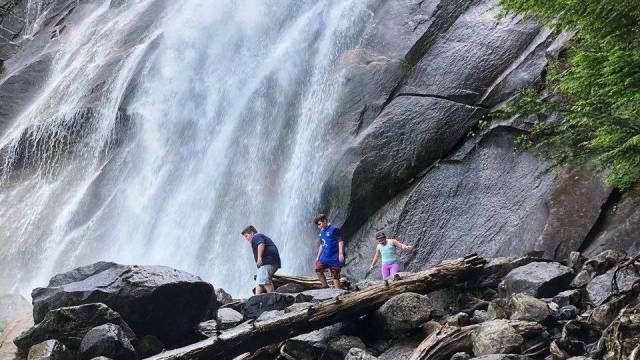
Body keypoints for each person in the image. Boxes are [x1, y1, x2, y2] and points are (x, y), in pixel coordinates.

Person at [241, 225, 281, 294]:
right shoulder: (257, 237)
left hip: (268, 262)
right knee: (259, 282)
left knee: (264, 279)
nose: (246, 238)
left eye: (246, 236)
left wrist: (259, 257)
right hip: (268, 263)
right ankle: (257, 299)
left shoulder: (256, 236)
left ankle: (272, 297)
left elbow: (261, 244)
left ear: (252, 233)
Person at [313, 214, 344, 289]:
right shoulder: (321, 232)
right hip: (325, 256)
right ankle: (325, 286)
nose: (318, 226)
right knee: (318, 268)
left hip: (335, 256)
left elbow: (340, 241)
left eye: (319, 224)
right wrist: (318, 257)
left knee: (335, 276)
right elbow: (322, 244)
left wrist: (341, 254)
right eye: (317, 225)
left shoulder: (334, 229)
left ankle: (338, 292)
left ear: (325, 221)